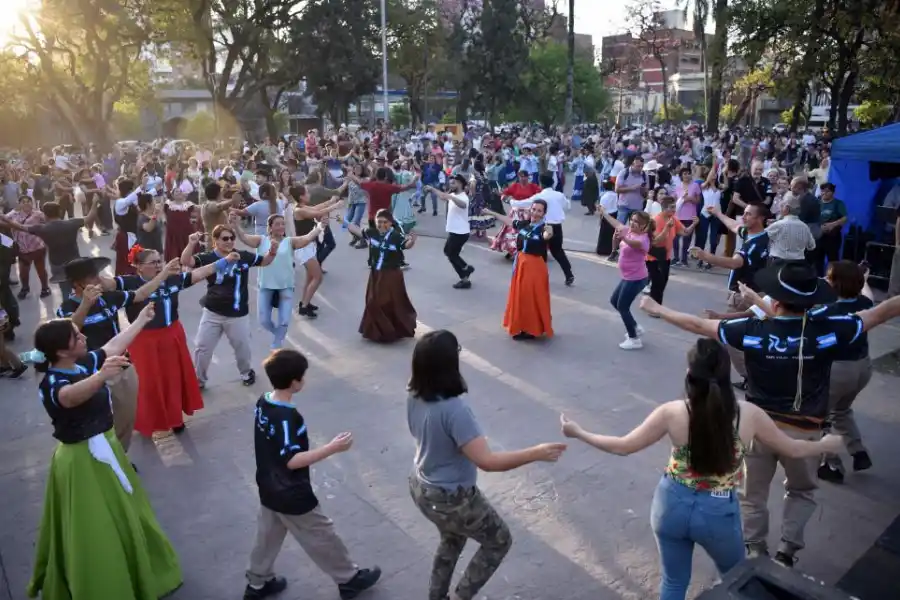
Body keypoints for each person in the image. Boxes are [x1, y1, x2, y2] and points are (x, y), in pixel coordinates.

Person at [639, 262, 900, 567]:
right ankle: (788, 550)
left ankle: (755, 548)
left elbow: (699, 326)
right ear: (812, 302)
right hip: (805, 430)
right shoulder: (830, 330)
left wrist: (657, 307)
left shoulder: (751, 331)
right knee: (801, 491)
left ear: (776, 302)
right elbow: (881, 312)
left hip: (757, 430)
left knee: (751, 495)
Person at [560, 338, 845, 600]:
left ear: (688, 374)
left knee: (673, 582)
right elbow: (793, 449)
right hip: (718, 514)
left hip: (670, 505)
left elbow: (622, 446)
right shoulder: (749, 415)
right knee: (737, 579)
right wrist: (825, 445)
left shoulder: (671, 413)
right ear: (726, 375)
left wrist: (578, 432)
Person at [27, 303, 182, 600]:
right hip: (81, 461)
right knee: (95, 529)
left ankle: (135, 567)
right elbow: (68, 399)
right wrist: (101, 376)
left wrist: (139, 321)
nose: (82, 336)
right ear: (61, 351)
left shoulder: (81, 363)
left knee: (126, 514)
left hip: (106, 449)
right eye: (76, 335)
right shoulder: (54, 382)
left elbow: (113, 346)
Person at [406, 330, 566, 600]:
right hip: (452, 497)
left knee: (452, 537)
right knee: (498, 540)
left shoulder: (413, 391)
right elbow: (488, 462)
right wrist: (536, 452)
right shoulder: (455, 410)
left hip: (421, 486)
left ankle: (436, 596)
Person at [243, 349, 381, 600]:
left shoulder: (263, 402)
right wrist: (332, 448)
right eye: (302, 377)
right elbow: (292, 460)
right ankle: (348, 579)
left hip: (268, 485)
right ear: (294, 382)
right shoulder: (288, 417)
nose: (304, 380)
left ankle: (257, 583)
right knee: (322, 534)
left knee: (268, 534)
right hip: (291, 492)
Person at [57, 256, 173, 452]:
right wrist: (85, 304)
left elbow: (140, 294)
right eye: (93, 276)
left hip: (121, 364)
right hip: (90, 372)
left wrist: (164, 274)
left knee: (127, 414)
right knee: (98, 419)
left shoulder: (108, 297)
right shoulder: (66, 308)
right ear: (78, 283)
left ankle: (120, 455)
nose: (99, 280)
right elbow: (70, 329)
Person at [106, 246, 224, 436]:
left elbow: (199, 273)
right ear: (138, 266)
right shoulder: (128, 282)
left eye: (159, 261)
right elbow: (106, 284)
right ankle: (149, 422)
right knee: (148, 383)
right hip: (144, 340)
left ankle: (175, 418)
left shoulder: (172, 279)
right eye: (153, 263)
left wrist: (224, 261)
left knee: (173, 379)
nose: (159, 265)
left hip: (172, 335)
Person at [180, 224, 279, 389]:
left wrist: (273, 250)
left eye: (232, 238)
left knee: (243, 348)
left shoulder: (243, 256)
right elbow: (186, 261)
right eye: (225, 238)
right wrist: (191, 243)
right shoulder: (208, 257)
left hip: (237, 314)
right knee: (202, 348)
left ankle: (246, 372)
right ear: (216, 241)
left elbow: (265, 261)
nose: (229, 241)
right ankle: (199, 380)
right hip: (212, 312)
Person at [694, 203, 771, 390]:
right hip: (753, 294)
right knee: (740, 335)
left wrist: (707, 257)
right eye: (743, 213)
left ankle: (751, 378)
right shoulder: (757, 234)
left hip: (744, 297)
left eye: (748, 214)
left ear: (760, 219)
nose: (743, 217)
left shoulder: (755, 245)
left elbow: (736, 263)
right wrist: (719, 213)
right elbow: (734, 226)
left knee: (727, 335)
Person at [232, 213, 325, 347]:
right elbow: (244, 237)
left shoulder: (289, 241)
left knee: (284, 321)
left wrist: (319, 227)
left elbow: (307, 238)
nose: (281, 227)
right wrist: (236, 225)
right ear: (270, 227)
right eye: (277, 224)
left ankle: (278, 341)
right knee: (264, 321)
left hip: (285, 286)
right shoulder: (261, 240)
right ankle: (278, 334)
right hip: (265, 286)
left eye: (283, 224)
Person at [0, 197, 101, 299]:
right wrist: (94, 202)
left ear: (45, 215)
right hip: (75, 262)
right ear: (60, 211)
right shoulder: (71, 223)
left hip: (57, 265)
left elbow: (20, 227)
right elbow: (90, 217)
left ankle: (70, 309)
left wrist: (4, 218)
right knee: (80, 288)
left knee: (65, 292)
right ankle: (86, 306)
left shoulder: (43, 229)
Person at [482, 200, 554, 340]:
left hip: (535, 267)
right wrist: (491, 212)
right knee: (521, 296)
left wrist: (549, 233)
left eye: (539, 211)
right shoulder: (525, 224)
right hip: (521, 264)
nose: (535, 213)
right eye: (534, 209)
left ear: (544, 213)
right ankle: (523, 326)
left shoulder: (544, 228)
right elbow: (509, 221)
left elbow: (546, 236)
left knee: (531, 298)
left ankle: (532, 329)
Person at [345, 209, 418, 343]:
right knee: (373, 300)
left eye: (385, 222)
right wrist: (342, 221)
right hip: (376, 273)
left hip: (391, 274)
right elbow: (357, 231)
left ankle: (389, 331)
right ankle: (376, 331)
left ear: (390, 223)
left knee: (387, 302)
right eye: (379, 222)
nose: (382, 225)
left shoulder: (396, 236)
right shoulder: (371, 233)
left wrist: (412, 241)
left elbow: (406, 245)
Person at [597, 206, 653, 349]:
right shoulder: (628, 231)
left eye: (637, 222)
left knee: (622, 306)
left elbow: (633, 244)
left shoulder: (643, 239)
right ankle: (635, 327)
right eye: (632, 220)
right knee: (614, 301)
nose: (633, 223)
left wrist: (623, 237)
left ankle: (634, 339)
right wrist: (604, 213)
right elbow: (615, 224)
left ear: (644, 226)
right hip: (628, 276)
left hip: (637, 278)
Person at [507, 173, 575, 286]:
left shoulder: (539, 196)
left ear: (541, 184)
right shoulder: (559, 195)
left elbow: (522, 203)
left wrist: (510, 200)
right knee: (558, 251)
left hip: (542, 227)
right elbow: (568, 206)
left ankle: (540, 276)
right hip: (557, 226)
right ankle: (569, 274)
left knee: (540, 252)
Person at [290, 186, 343, 318]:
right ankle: (304, 307)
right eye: (307, 193)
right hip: (304, 248)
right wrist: (335, 205)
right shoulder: (299, 210)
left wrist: (331, 201)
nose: (309, 194)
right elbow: (317, 213)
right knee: (318, 277)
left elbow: (316, 208)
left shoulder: (302, 207)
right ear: (301, 196)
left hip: (309, 246)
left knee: (310, 278)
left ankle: (304, 302)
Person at [646, 197, 699, 305]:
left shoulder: (673, 219)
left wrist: (694, 224)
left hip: (665, 257)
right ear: (664, 208)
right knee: (658, 283)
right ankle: (654, 307)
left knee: (663, 282)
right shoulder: (656, 220)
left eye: (674, 207)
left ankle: (652, 304)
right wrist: (666, 228)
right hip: (654, 257)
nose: (674, 210)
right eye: (672, 207)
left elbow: (685, 232)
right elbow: (655, 241)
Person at [425, 175, 474, 289]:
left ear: (460, 184)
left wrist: (451, 198)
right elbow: (443, 196)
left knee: (450, 253)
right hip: (455, 231)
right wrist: (432, 189)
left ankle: (466, 270)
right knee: (451, 253)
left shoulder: (463, 197)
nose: (451, 185)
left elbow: (463, 205)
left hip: (460, 232)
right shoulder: (452, 195)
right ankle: (465, 274)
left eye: (453, 183)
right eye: (450, 183)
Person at [5, 195, 50, 299]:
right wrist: (8, 242)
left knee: (41, 270)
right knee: (23, 272)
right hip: (22, 250)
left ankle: (45, 288)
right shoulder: (12, 215)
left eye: (28, 201)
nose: (26, 203)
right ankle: (25, 288)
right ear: (19, 204)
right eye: (23, 202)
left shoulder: (38, 214)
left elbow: (48, 225)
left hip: (38, 248)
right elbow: (2, 221)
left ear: (32, 203)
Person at [490, 170, 538, 259]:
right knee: (511, 231)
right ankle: (511, 250)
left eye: (524, 176)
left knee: (525, 232)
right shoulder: (515, 186)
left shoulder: (533, 187)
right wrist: (504, 197)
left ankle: (524, 250)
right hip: (515, 213)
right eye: (521, 176)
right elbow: (504, 194)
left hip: (528, 214)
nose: (523, 178)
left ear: (528, 177)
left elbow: (541, 195)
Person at [813, 183, 847, 276]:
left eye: (827, 191)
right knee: (818, 260)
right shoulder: (817, 202)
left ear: (833, 192)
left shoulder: (838, 203)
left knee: (833, 260)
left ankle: (833, 279)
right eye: (822, 191)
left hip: (832, 237)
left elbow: (844, 218)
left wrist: (832, 224)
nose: (824, 193)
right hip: (818, 235)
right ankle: (819, 279)